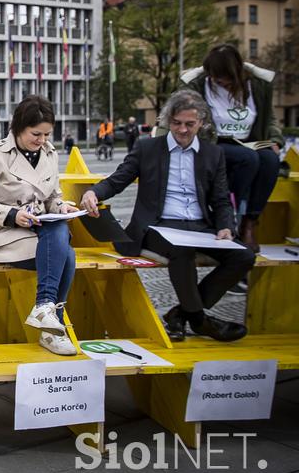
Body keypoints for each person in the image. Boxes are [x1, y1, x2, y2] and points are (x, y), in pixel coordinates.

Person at [81, 89, 254, 342]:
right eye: (176, 123)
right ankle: (200, 320)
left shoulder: (213, 154)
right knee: (181, 251)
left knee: (244, 256)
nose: (182, 130)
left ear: (202, 123)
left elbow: (220, 199)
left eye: (189, 124)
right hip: (156, 226)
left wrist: (226, 226)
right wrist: (93, 193)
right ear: (167, 121)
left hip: (199, 226)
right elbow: (118, 180)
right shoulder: (147, 148)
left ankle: (182, 314)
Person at [0, 95, 79, 355]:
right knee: (67, 255)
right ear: (18, 128)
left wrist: (62, 208)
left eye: (47, 134)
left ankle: (44, 309)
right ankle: (52, 325)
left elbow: (52, 196)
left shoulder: (50, 153)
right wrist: (10, 214)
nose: (42, 141)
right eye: (36, 134)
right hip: (1, 233)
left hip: (37, 231)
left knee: (60, 228)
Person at [181, 44, 282, 253]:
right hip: (213, 143)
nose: (220, 82)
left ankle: (250, 220)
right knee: (249, 159)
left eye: (223, 78)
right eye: (215, 78)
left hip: (249, 142)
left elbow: (269, 117)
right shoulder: (199, 86)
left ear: (235, 73)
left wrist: (274, 139)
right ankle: (229, 212)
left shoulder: (257, 86)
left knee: (270, 160)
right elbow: (180, 115)